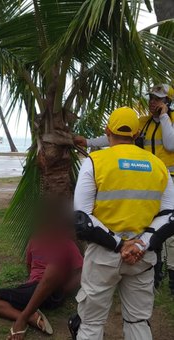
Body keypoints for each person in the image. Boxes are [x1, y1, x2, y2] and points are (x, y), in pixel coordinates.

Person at [70, 107, 174, 340]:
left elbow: (82, 219)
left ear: (107, 131)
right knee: (138, 321)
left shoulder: (95, 161)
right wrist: (140, 245)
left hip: (103, 255)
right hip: (142, 257)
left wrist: (119, 245)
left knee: (91, 323)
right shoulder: (158, 165)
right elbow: (170, 215)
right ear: (137, 134)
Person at [0, 204, 83, 340]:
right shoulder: (34, 242)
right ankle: (31, 317)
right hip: (32, 289)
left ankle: (22, 319)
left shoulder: (66, 244)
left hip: (53, 292)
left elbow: (81, 271)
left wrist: (64, 289)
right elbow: (29, 267)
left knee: (52, 270)